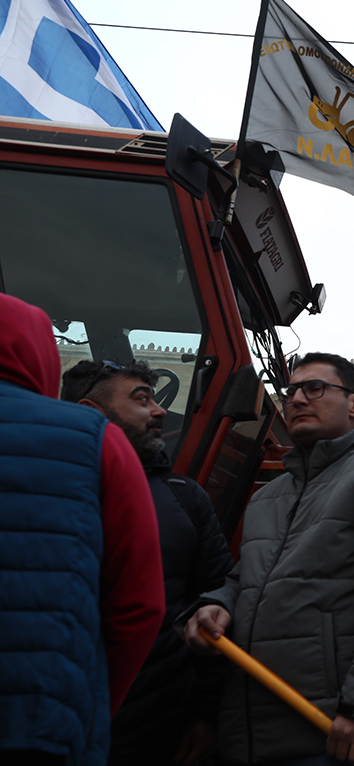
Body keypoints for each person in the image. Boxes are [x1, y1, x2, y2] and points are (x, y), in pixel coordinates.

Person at [182, 353, 354, 765]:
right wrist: (217, 605)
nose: (298, 399)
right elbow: (246, 580)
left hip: (337, 737)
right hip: (254, 740)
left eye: (315, 388)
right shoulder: (268, 496)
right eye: (291, 392)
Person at [0, 293, 165, 766]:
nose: (158, 413)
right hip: (41, 722)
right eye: (141, 399)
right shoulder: (95, 439)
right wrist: (87, 705)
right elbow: (140, 605)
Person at [62, 360, 235, 766]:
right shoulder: (43, 488)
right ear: (91, 411)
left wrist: (208, 714)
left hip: (161, 727)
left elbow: (216, 599)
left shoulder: (186, 497)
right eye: (142, 400)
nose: (159, 411)